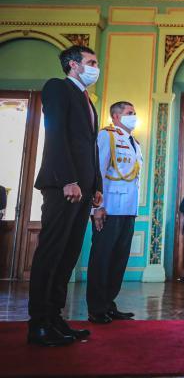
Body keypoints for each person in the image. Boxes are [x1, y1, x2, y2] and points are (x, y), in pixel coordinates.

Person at [28, 45, 103, 346]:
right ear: (73, 65)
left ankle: (55, 318)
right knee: (52, 252)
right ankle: (39, 324)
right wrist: (68, 180)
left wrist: (96, 185)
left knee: (68, 255)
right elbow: (56, 133)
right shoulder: (58, 88)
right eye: (91, 62)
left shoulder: (88, 101)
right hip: (64, 186)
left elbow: (90, 148)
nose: (96, 67)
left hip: (83, 190)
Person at [86, 101, 142, 324]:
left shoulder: (134, 143)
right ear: (117, 116)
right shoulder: (106, 136)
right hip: (108, 208)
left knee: (119, 259)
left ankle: (109, 303)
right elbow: (97, 171)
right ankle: (96, 308)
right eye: (130, 113)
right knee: (102, 258)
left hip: (128, 209)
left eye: (134, 112)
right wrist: (96, 207)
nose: (134, 116)